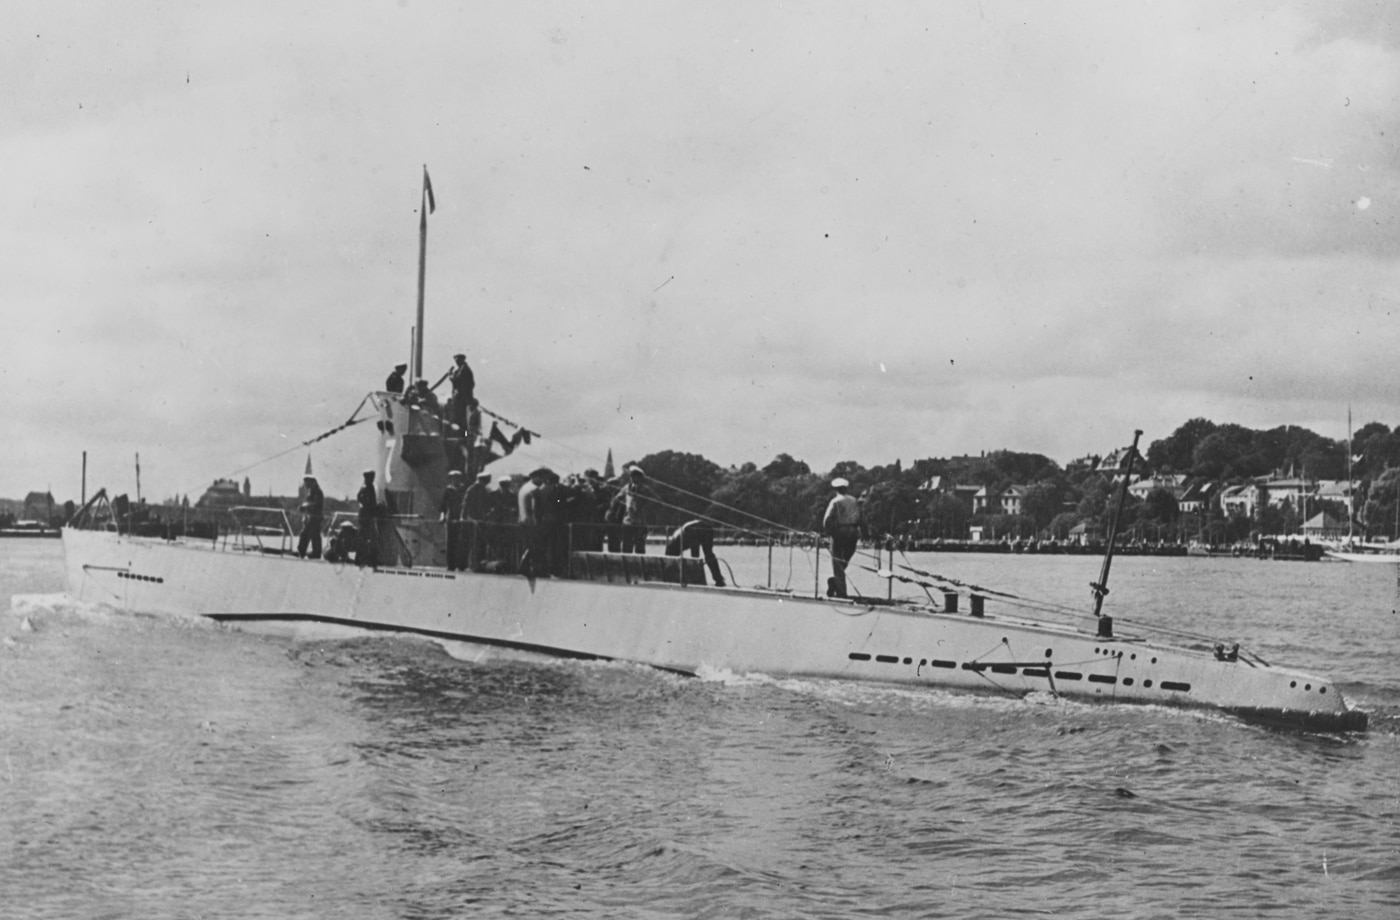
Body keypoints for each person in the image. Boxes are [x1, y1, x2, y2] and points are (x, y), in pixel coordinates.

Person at [823, 477, 862, 598]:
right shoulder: (854, 501)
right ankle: (836, 583)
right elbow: (862, 518)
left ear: (836, 489)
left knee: (838, 562)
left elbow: (827, 520)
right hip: (853, 532)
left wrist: (828, 532)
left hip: (840, 532)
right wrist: (865, 532)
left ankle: (840, 591)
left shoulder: (835, 501)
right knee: (844, 560)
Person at [664, 519, 726, 586]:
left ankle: (697, 579)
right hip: (705, 527)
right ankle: (719, 579)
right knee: (708, 554)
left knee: (696, 556)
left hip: (692, 529)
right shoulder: (676, 539)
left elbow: (692, 547)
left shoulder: (674, 542)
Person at [610, 466, 656, 553]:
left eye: (636, 476)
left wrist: (645, 507)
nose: (633, 479)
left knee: (640, 548)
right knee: (626, 547)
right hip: (627, 523)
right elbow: (616, 499)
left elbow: (657, 500)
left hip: (641, 523)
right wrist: (622, 504)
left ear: (640, 478)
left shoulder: (645, 489)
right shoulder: (626, 488)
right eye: (632, 476)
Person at [462, 471, 493, 570]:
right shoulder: (472, 489)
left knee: (481, 543)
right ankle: (474, 564)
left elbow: (487, 504)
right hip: (473, 520)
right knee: (474, 543)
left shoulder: (483, 490)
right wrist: (463, 517)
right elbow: (465, 504)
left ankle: (479, 563)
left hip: (481, 519)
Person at [440, 470, 467, 570]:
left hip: (462, 517)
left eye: (457, 478)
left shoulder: (463, 489)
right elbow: (443, 505)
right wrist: (442, 516)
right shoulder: (448, 490)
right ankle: (451, 565)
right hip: (452, 517)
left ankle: (461, 565)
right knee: (451, 543)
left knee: (462, 542)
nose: (455, 480)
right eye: (453, 478)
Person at [356, 469, 381, 567]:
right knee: (368, 537)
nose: (373, 478)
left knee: (366, 537)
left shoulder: (367, 487)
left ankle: (363, 559)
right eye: (371, 477)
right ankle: (366, 559)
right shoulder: (366, 487)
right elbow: (365, 501)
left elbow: (360, 499)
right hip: (366, 516)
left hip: (365, 516)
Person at [297, 474, 324, 559]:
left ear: (312, 482)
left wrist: (305, 506)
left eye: (306, 483)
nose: (305, 485)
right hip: (311, 517)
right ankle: (315, 552)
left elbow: (316, 504)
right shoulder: (312, 492)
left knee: (306, 534)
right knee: (314, 535)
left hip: (314, 517)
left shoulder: (317, 492)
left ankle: (303, 551)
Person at [447, 353, 475, 432]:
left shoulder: (464, 369)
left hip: (461, 399)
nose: (456, 362)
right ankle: (462, 435)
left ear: (462, 360)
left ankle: (464, 436)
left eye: (458, 360)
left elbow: (456, 380)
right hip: (460, 398)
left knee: (462, 419)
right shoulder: (461, 369)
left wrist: (450, 375)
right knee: (460, 419)